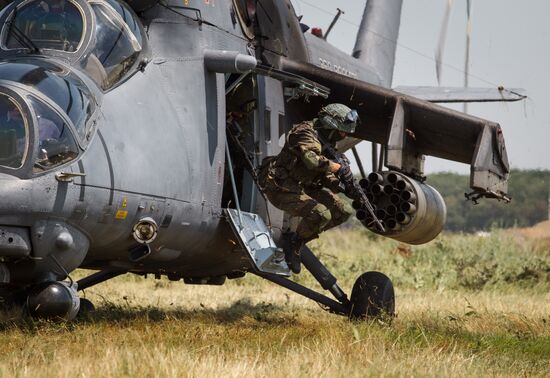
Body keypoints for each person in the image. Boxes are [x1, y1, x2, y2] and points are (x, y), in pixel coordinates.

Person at [258, 103, 359, 273]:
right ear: (330, 125)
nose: (344, 135)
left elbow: (324, 174)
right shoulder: (305, 132)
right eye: (342, 131)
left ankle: (297, 241)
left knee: (344, 211)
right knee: (320, 214)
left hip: (305, 185)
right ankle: (293, 245)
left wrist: (343, 186)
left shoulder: (327, 141)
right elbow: (312, 160)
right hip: (280, 185)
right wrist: (338, 168)